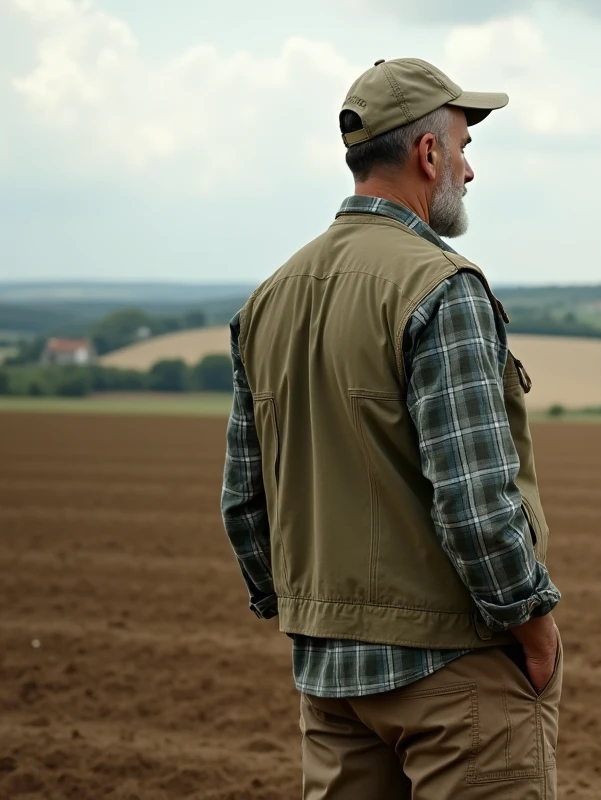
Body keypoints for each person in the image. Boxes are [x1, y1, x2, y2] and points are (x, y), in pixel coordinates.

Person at [220, 57, 562, 799]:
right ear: (428, 153)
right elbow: (474, 504)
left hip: (330, 679)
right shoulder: (442, 287)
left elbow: (244, 501)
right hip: (455, 674)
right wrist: (531, 622)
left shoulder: (269, 299)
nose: (469, 172)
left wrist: (304, 611)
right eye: (464, 148)